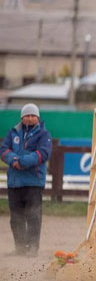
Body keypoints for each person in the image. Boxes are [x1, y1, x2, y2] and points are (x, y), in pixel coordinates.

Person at [1, 103, 52, 256]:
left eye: (33, 116)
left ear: (38, 117)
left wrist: (22, 162)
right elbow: (3, 150)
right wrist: (13, 159)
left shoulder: (44, 134)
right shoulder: (13, 133)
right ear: (22, 117)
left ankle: (33, 248)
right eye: (27, 116)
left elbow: (43, 153)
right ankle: (20, 248)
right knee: (16, 218)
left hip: (33, 182)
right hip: (15, 182)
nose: (30, 118)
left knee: (33, 216)